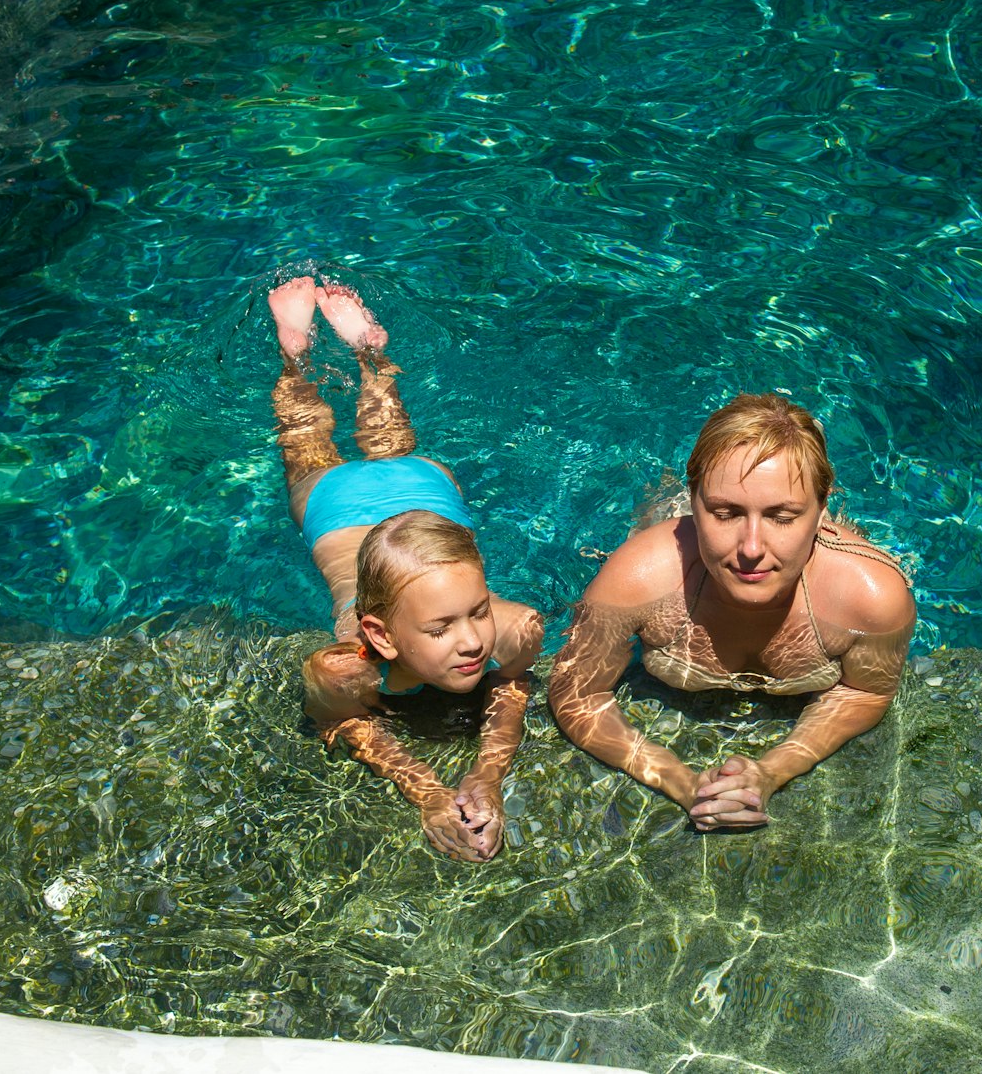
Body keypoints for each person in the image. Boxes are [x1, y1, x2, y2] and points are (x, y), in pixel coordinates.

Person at [267, 276, 542, 862]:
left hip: (404, 497)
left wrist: (485, 777)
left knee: (305, 434)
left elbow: (511, 684)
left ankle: (299, 356)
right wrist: (427, 790)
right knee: (373, 435)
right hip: (362, 500)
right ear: (379, 635)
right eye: (441, 629)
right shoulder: (345, 669)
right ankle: (367, 355)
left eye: (479, 612)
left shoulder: (513, 630)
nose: (472, 641)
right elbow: (508, 686)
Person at [548, 393, 914, 831]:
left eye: (783, 516)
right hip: (675, 553)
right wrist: (683, 783)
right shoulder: (638, 578)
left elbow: (865, 691)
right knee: (652, 521)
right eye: (724, 513)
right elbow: (577, 692)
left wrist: (773, 771)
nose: (752, 549)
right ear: (694, 498)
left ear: (820, 511)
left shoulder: (869, 596)